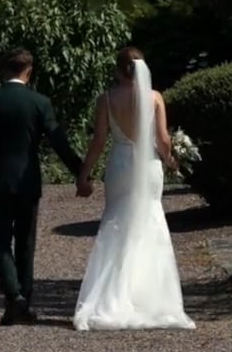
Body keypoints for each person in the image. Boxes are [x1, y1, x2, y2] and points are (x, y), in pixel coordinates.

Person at [0, 48, 91, 326]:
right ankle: (25, 299)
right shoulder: (39, 102)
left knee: (0, 239)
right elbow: (59, 142)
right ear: (29, 71)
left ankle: (13, 297)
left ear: (4, 69)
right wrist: (81, 172)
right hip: (27, 180)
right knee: (26, 240)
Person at [71, 46, 195, 331]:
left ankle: (109, 296)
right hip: (147, 164)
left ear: (117, 69)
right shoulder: (154, 98)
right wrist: (172, 161)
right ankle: (151, 298)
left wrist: (84, 174)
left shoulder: (106, 100)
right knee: (150, 220)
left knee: (116, 222)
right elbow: (163, 140)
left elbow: (99, 142)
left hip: (120, 165)